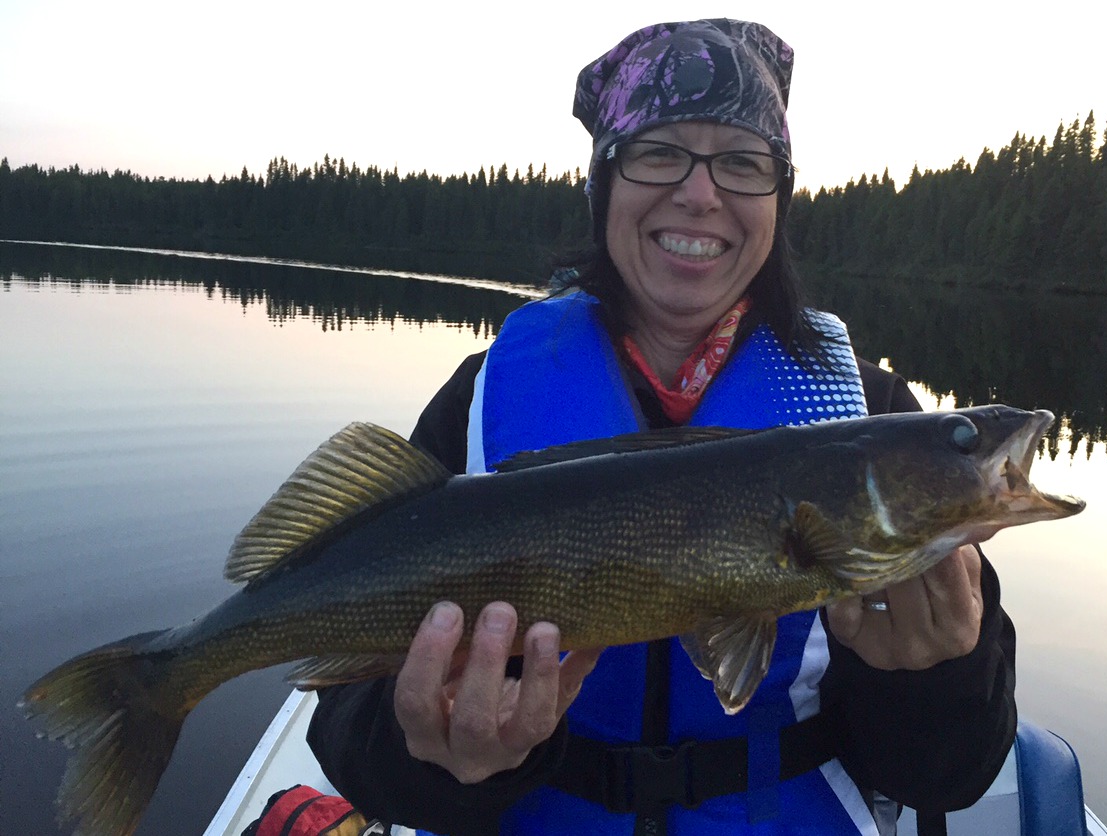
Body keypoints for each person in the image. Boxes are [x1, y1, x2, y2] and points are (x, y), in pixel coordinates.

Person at [307, 18, 1016, 836]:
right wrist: (439, 763)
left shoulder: (871, 423)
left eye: (743, 163)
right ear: (603, 182)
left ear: (778, 202)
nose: (700, 192)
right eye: (659, 153)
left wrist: (934, 683)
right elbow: (344, 725)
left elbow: (953, 774)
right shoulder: (478, 403)